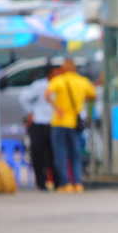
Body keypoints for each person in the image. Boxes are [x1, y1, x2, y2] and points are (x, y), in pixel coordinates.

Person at [46, 59, 96, 193]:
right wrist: (79, 102)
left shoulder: (58, 80)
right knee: (75, 154)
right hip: (75, 122)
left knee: (60, 154)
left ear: (63, 69)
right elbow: (92, 95)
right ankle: (78, 183)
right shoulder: (83, 81)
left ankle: (65, 183)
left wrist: (57, 108)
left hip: (60, 122)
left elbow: (47, 94)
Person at [19, 62, 58, 190]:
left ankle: (57, 181)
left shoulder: (61, 84)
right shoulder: (39, 86)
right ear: (51, 73)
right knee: (38, 154)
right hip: (40, 122)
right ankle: (41, 182)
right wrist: (31, 112)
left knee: (55, 154)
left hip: (55, 123)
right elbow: (24, 98)